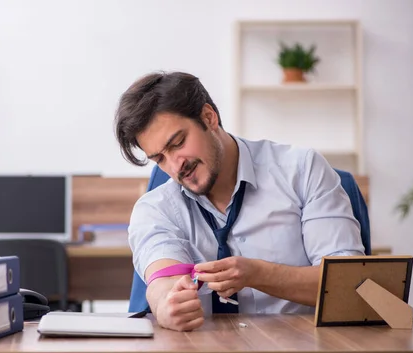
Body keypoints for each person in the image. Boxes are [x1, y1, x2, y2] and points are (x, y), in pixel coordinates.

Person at [114, 71, 365, 332]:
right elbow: (162, 279)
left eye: (178, 143)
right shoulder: (155, 208)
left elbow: (350, 285)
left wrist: (259, 275)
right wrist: (167, 306)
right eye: (159, 159)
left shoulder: (302, 171)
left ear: (209, 117)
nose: (176, 166)